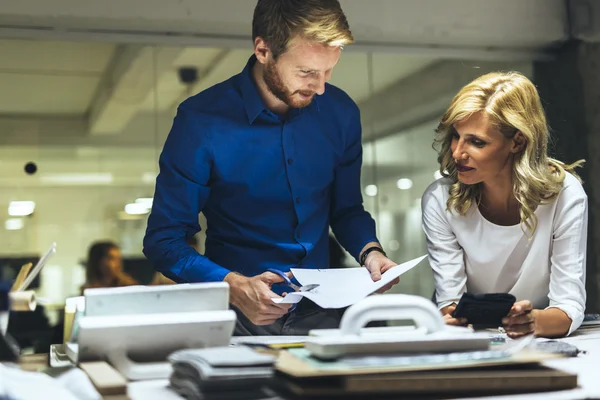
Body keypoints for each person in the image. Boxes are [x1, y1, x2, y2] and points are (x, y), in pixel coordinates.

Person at [143, 0, 398, 336]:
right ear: (263, 50)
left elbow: (347, 210)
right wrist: (232, 285)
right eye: (306, 72)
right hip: (239, 317)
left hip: (322, 314)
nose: (320, 87)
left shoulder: (341, 113)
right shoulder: (201, 121)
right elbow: (164, 240)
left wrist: (371, 251)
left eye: (328, 71)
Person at [421, 71, 587, 339]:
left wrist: (531, 322)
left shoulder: (565, 194)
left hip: (537, 335)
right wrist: (450, 318)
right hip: (474, 338)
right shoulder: (440, 200)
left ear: (517, 141)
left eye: (476, 142)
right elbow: (449, 302)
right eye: (456, 135)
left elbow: (568, 307)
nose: (457, 152)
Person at [82, 241, 173, 291]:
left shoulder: (126, 284)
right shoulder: (89, 290)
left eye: (119, 259)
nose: (118, 263)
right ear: (99, 261)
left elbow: (141, 297)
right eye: (112, 258)